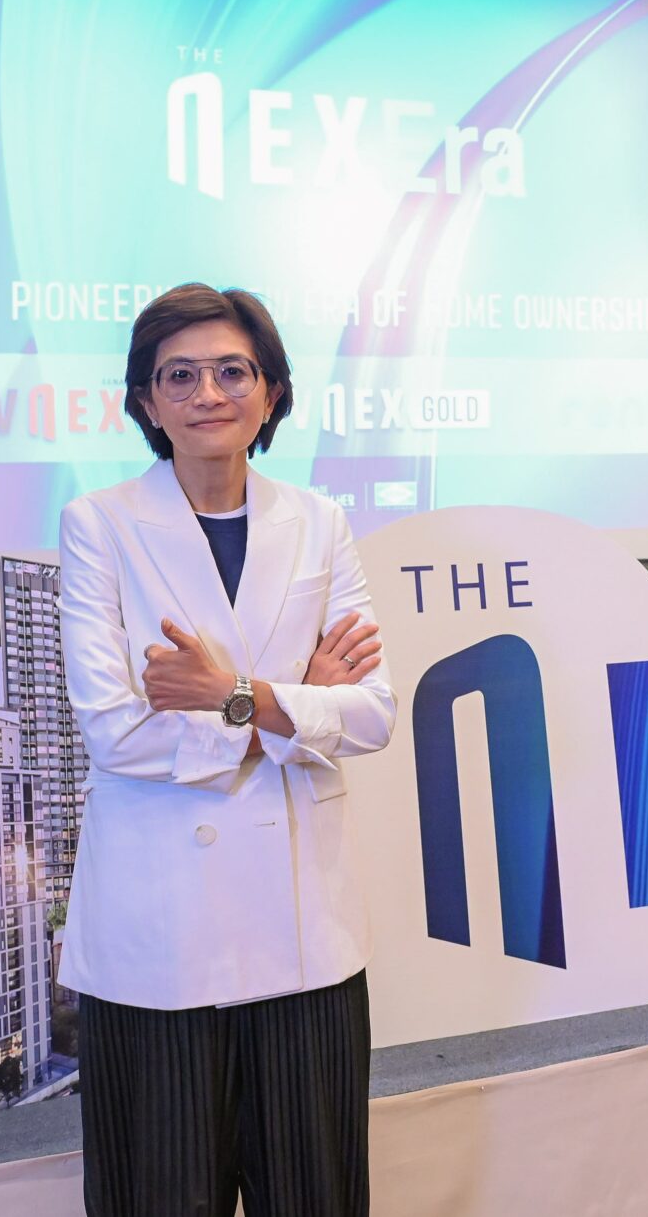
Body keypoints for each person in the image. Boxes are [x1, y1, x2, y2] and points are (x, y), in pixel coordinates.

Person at [56, 282, 394, 1216]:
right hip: (157, 939)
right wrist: (291, 714)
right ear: (146, 400)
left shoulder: (320, 522)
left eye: (232, 371)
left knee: (317, 1198)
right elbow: (115, 731)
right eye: (180, 375)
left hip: (303, 941)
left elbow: (371, 716)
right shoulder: (99, 525)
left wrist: (229, 695)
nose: (208, 392)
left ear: (271, 391)